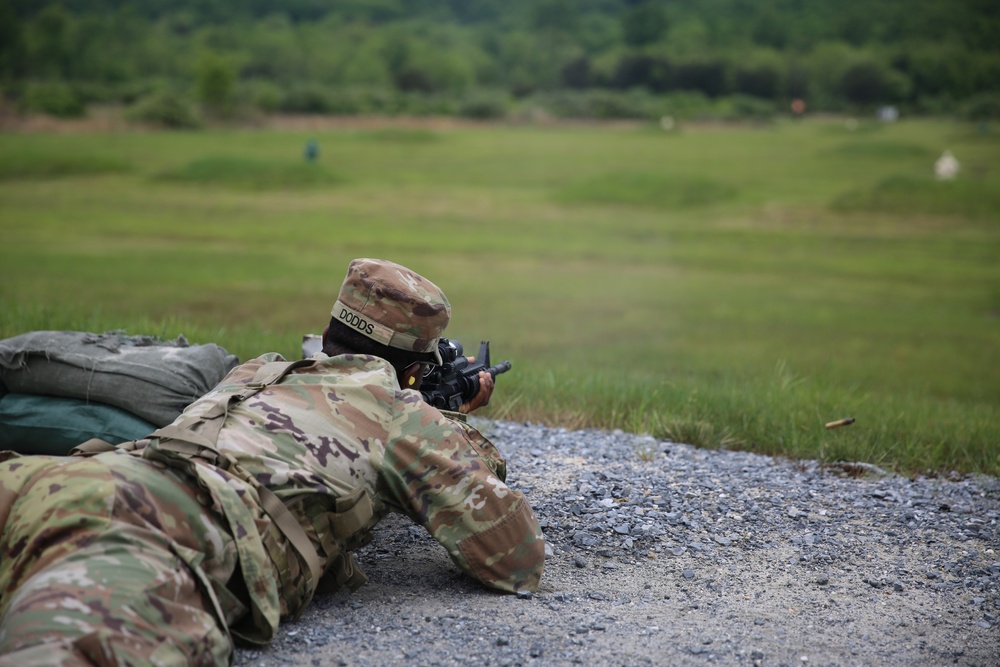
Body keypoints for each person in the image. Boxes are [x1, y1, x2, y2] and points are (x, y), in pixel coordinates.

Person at [0, 258, 545, 666]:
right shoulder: (402, 415)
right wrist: (448, 422)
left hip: (62, 478)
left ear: (328, 336)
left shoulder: (258, 372)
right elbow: (515, 560)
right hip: (162, 528)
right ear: (413, 373)